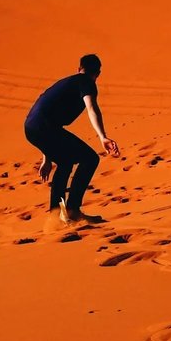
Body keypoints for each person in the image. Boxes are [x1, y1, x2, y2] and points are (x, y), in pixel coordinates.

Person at [25, 53, 121, 224]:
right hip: (44, 128)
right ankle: (72, 210)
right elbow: (92, 108)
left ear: (78, 69)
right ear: (97, 74)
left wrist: (47, 157)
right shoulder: (86, 82)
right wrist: (103, 137)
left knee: (65, 161)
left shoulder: (66, 82)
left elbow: (49, 118)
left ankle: (57, 215)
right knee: (90, 159)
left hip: (31, 128)